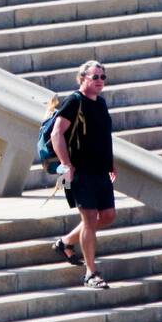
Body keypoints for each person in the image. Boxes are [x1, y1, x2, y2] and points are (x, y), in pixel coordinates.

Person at [50, 60, 117, 289]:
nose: (100, 81)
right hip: (81, 172)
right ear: (83, 78)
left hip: (100, 171)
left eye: (103, 77)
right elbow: (56, 133)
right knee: (89, 219)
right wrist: (66, 164)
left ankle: (65, 242)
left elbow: (103, 136)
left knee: (107, 216)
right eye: (95, 77)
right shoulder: (74, 101)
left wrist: (111, 163)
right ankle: (91, 273)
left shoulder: (101, 103)